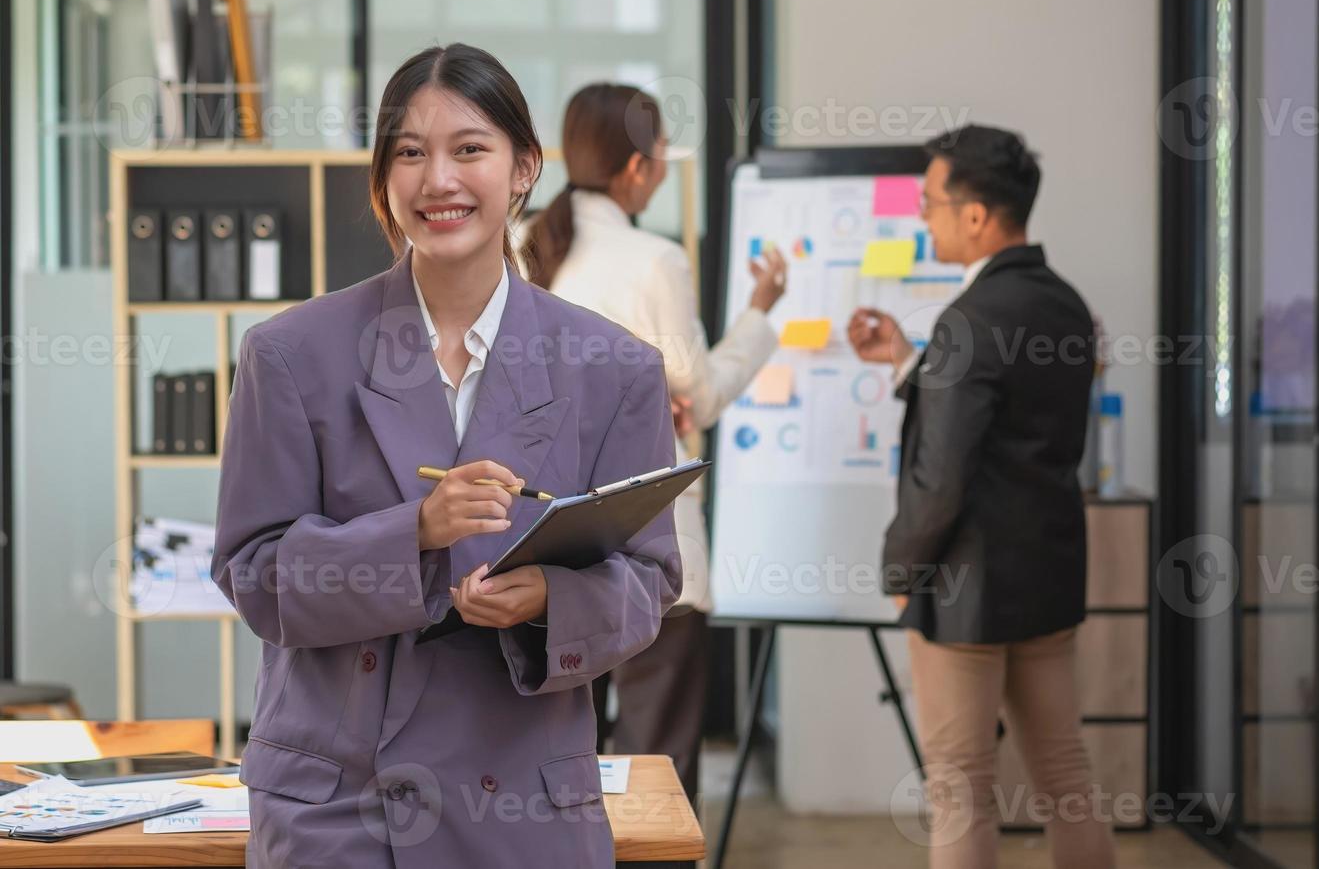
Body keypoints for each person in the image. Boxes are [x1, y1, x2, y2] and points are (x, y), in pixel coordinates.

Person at [212, 44, 682, 869]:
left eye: (469, 149)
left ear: (524, 168)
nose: (438, 180)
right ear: (382, 178)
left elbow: (648, 581)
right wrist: (415, 534)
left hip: (526, 804)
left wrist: (549, 603)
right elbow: (253, 573)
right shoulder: (290, 354)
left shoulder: (613, 367)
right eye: (409, 152)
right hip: (341, 811)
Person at [846, 125, 1115, 869]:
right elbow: (1007, 433)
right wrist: (908, 362)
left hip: (963, 590)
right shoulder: (1064, 305)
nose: (921, 217)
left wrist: (898, 571)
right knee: (1065, 774)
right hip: (1047, 579)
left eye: (929, 203)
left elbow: (942, 479)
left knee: (960, 788)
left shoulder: (969, 321)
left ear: (974, 216)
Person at [518, 83, 788, 801]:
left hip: (545, 542)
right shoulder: (654, 260)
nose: (665, 164)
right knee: (655, 771)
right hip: (648, 541)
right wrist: (759, 315)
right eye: (662, 150)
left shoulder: (523, 248)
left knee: (556, 761)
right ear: (637, 168)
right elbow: (696, 395)